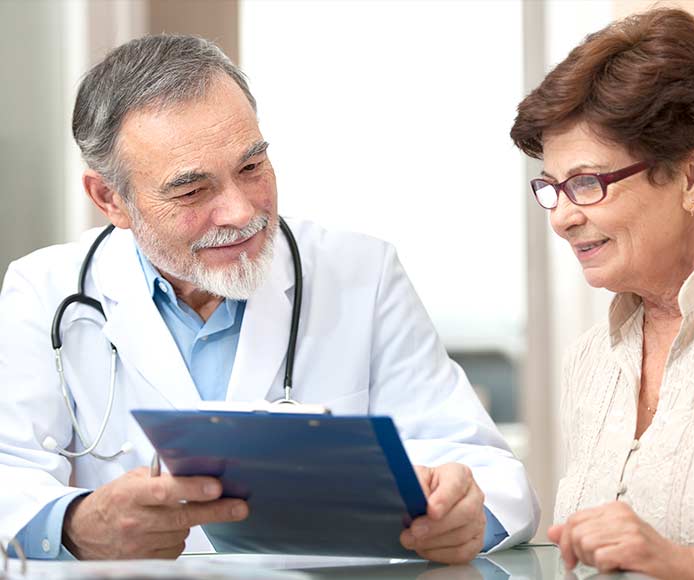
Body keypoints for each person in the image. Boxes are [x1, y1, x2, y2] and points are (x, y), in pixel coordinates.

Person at [0, 35, 539, 563]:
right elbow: (9, 473)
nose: (240, 211)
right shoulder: (44, 290)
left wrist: (463, 515)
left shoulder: (361, 274)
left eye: (252, 167)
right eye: (192, 190)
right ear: (109, 198)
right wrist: (75, 526)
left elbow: (482, 468)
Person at [510, 7, 694, 580]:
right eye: (553, 187)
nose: (562, 218)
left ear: (693, 177)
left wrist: (686, 564)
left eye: (587, 184)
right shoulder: (592, 360)